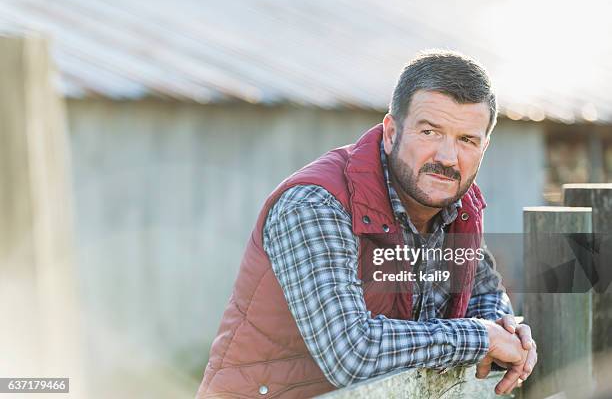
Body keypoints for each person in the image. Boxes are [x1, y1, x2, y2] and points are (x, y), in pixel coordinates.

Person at [196, 50, 537, 398]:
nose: (448, 158)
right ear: (391, 132)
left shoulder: (456, 205)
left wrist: (504, 329)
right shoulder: (315, 204)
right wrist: (481, 337)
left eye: (467, 140)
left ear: (484, 146)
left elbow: (484, 292)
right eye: (430, 132)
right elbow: (351, 353)